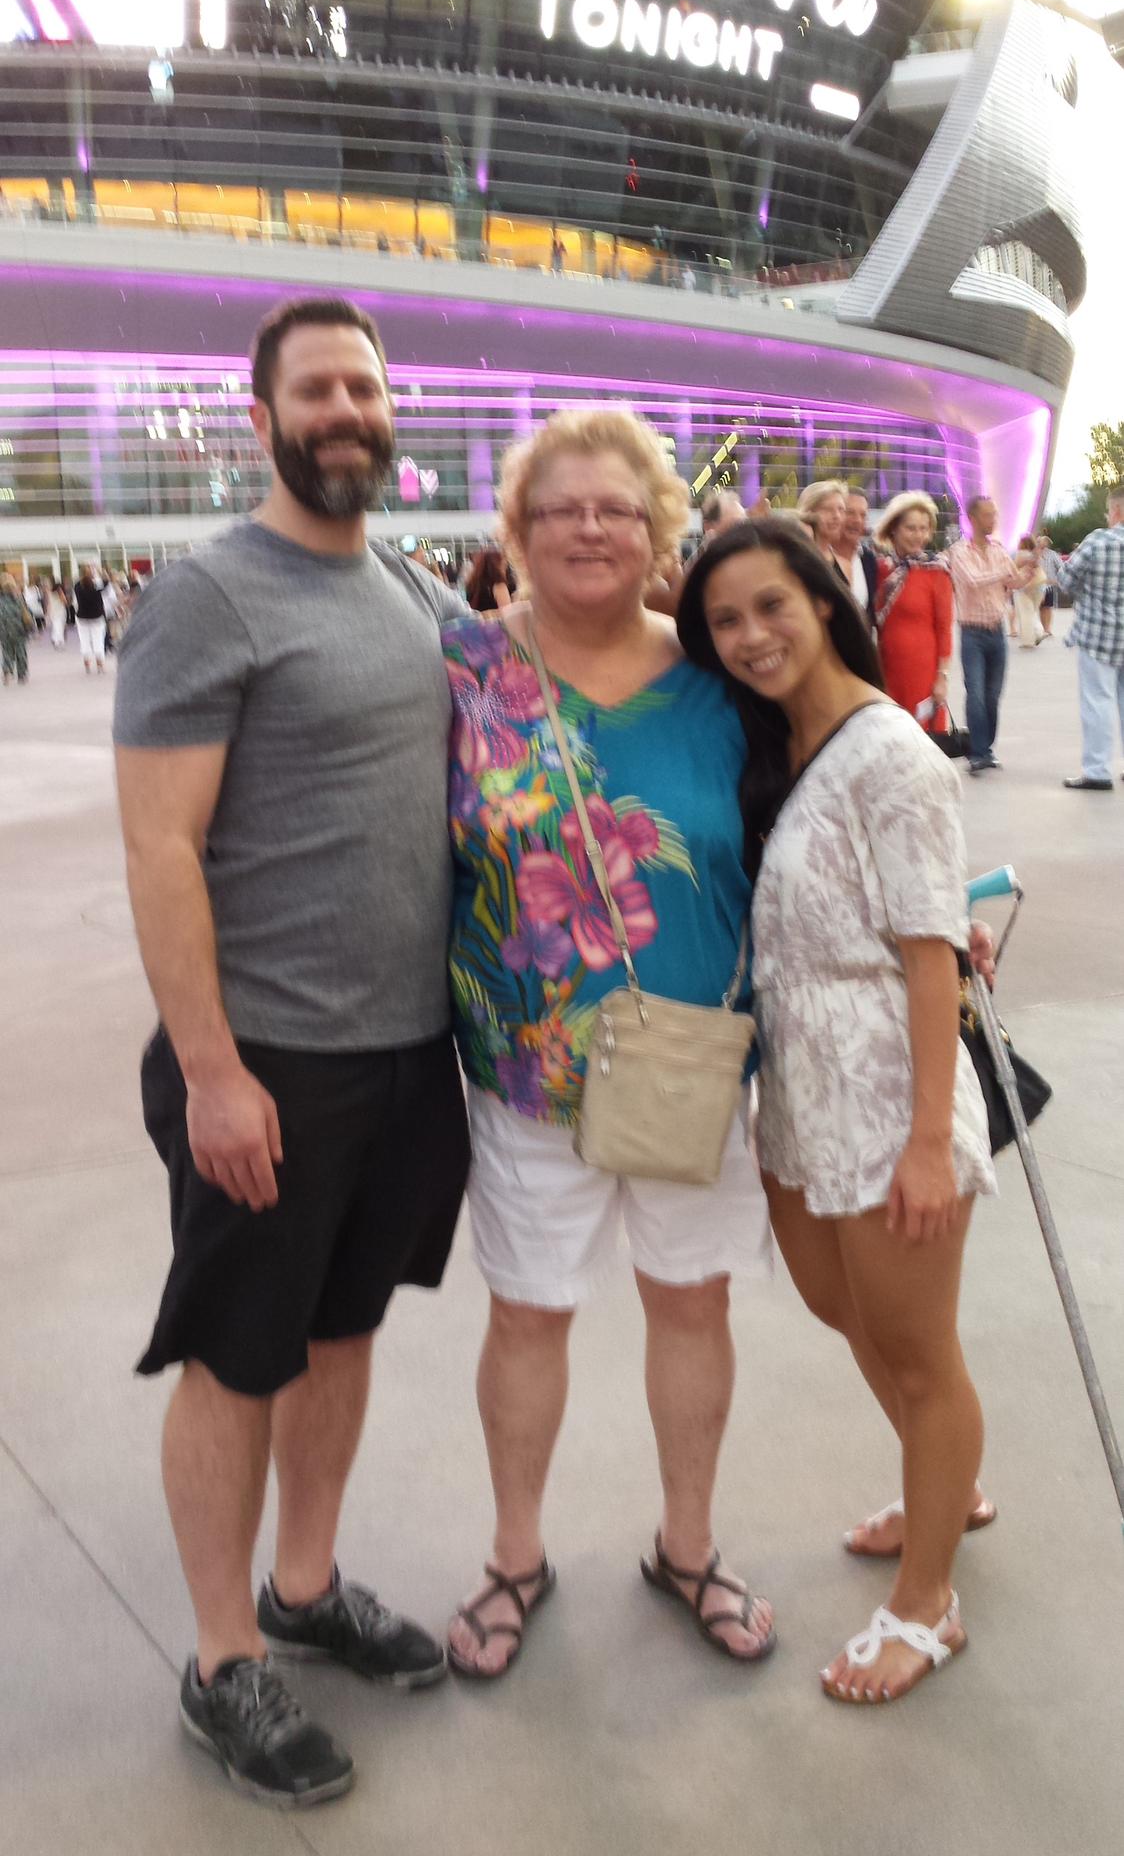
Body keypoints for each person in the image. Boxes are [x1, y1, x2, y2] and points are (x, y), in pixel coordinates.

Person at [113, 296, 471, 1809]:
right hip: (267, 1063)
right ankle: (219, 1659)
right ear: (260, 418)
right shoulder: (210, 594)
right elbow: (160, 846)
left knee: (339, 1338)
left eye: (367, 390)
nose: (347, 411)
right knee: (234, 1360)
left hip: (403, 1056)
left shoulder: (405, 582)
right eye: (317, 389)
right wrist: (211, 1072)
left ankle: (306, 1587)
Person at [442, 408, 776, 1680]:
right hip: (526, 1074)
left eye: (618, 509)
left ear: (658, 533)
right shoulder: (463, 669)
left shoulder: (726, 674)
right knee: (527, 1315)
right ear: (515, 534)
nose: (590, 526)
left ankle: (686, 1544)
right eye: (559, 507)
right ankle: (513, 1553)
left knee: (691, 1303)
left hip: (693, 1063)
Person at [677, 521, 997, 1705]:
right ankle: (944, 1484)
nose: (750, 635)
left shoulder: (888, 752)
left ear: (823, 597)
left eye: (771, 605)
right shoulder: (778, 741)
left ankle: (927, 1603)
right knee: (842, 1307)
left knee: (915, 1350)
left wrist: (924, 1141)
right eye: (724, 620)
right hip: (796, 1088)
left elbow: (929, 961)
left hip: (882, 1092)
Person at [947, 497, 1023, 775]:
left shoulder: (999, 550)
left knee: (992, 695)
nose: (994, 520)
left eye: (995, 514)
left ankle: (987, 748)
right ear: (974, 518)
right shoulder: (959, 552)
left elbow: (1012, 581)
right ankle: (977, 752)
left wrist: (1029, 569)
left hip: (996, 631)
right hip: (972, 633)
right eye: (989, 515)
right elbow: (973, 580)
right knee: (976, 693)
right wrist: (1003, 572)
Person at [873, 493, 954, 733]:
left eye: (924, 528)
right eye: (911, 528)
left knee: (922, 740)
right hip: (884, 668)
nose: (919, 535)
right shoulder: (879, 568)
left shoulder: (936, 570)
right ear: (893, 529)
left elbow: (944, 628)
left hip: (923, 672)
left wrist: (942, 677)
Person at [1061, 484, 1124, 791]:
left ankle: (1098, 771)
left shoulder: (1098, 541)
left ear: (1116, 511)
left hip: (1098, 635)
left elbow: (1066, 580)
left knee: (1097, 701)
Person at [829, 488, 879, 631]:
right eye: (850, 512)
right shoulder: (819, 557)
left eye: (863, 515)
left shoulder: (868, 560)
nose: (857, 520)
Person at [796, 480, 847, 557]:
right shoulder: (791, 560)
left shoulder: (844, 566)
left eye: (841, 509)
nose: (837, 516)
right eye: (828, 509)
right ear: (809, 512)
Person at [74, 564, 108, 673]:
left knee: (84, 641)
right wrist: (99, 570)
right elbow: (106, 581)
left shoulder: (77, 586)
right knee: (98, 640)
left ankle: (87, 665)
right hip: (97, 616)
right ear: (92, 573)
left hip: (82, 617)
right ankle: (100, 665)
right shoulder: (96, 585)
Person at [1013, 537, 1046, 649]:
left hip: (1024, 585)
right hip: (1039, 584)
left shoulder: (1021, 554)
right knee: (1033, 610)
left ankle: (1030, 638)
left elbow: (1015, 566)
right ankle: (1039, 630)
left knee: (1025, 612)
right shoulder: (1035, 554)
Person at [1, 572, 33, 684]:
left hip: (4, 629)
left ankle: (7, 672)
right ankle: (22, 675)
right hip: (19, 629)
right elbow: (26, 612)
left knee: (7, 652)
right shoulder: (18, 596)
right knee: (21, 651)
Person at [464, 545, 515, 613]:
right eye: (503, 563)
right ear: (496, 565)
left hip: (478, 622)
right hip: (496, 623)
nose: (505, 567)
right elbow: (507, 613)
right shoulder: (499, 586)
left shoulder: (472, 584)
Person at [1036, 531, 1064, 638]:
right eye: (1040, 541)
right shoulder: (1032, 554)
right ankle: (1039, 628)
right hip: (1035, 585)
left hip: (1048, 585)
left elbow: (1062, 567)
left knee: (1047, 607)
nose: (1043, 543)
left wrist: (1057, 580)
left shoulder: (1052, 554)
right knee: (1037, 608)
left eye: (1044, 541)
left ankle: (1047, 628)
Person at [45, 577, 69, 648]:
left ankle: (55, 639)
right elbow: (65, 601)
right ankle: (59, 640)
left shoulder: (49, 593)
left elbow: (48, 603)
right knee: (59, 626)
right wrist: (62, 594)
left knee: (56, 626)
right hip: (60, 611)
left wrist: (47, 612)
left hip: (53, 611)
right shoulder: (59, 593)